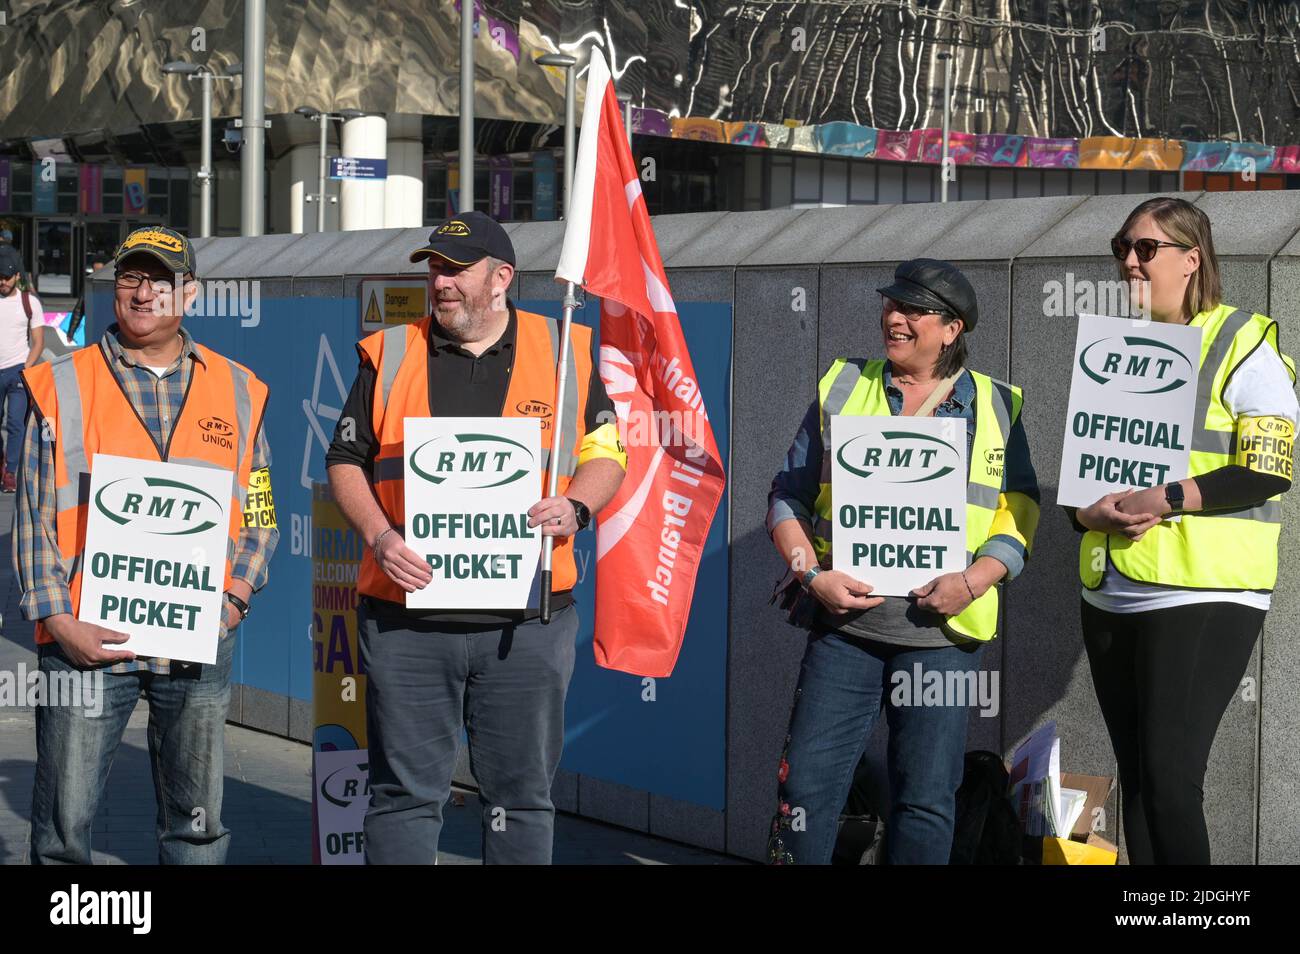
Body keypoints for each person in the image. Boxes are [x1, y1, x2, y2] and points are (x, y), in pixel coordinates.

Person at [325, 211, 627, 864]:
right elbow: (344, 462)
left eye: (456, 270)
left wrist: (577, 504)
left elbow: (608, 452)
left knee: (520, 800)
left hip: (525, 623)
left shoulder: (565, 351)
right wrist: (379, 538)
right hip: (407, 620)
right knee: (403, 796)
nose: (440, 283)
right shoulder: (390, 352)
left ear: (501, 279)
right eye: (434, 268)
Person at [16, 226, 278, 864]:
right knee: (61, 833)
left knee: (196, 827)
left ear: (189, 292)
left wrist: (234, 601)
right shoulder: (58, 383)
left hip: (197, 642)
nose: (143, 291)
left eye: (160, 278)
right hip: (86, 638)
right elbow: (33, 517)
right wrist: (58, 621)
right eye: (131, 276)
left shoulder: (240, 388)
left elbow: (261, 510)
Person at [766, 258, 1040, 865]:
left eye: (914, 310)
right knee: (806, 789)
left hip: (942, 635)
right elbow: (787, 494)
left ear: (952, 329)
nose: (894, 318)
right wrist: (812, 574)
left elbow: (1020, 510)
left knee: (925, 800)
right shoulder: (844, 385)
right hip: (845, 631)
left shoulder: (995, 404)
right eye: (891, 305)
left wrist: (973, 581)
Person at [1070, 196, 1296, 865]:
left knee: (1171, 782)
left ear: (1192, 258)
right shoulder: (1114, 348)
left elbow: (1268, 469)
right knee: (1138, 776)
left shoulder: (1242, 339)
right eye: (1122, 248)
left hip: (1204, 589)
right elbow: (1085, 481)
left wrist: (1165, 497)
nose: (1130, 262)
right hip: (1112, 589)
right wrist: (1089, 513)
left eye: (1147, 249)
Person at [0, 244, 43, 492]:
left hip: (18, 369)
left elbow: (38, 340)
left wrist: (26, 367)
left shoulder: (30, 303)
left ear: (17, 276)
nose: (3, 282)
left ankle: (10, 471)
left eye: (7, 277)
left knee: (16, 423)